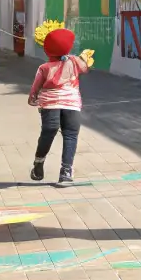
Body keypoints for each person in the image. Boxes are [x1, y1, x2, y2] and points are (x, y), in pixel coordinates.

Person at [28, 21, 93, 184]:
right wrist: (84, 58)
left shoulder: (46, 66)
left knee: (50, 132)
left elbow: (36, 86)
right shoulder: (71, 62)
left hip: (56, 104)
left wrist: (32, 98)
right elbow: (85, 68)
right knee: (67, 134)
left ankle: (49, 165)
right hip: (68, 103)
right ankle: (57, 168)